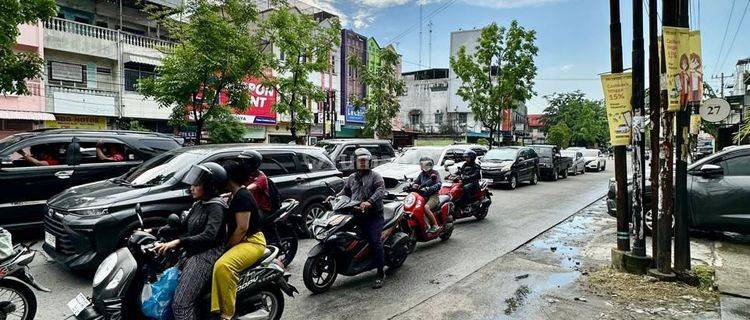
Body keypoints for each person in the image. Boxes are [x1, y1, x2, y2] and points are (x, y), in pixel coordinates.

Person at [153, 162, 228, 320]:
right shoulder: (198, 204)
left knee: (181, 304)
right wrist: (152, 231)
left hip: (206, 255)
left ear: (209, 186)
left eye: (196, 185)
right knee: (168, 291)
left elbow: (209, 235)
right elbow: (181, 227)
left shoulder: (216, 207)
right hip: (191, 251)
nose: (191, 188)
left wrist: (178, 242)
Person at [211, 160, 266, 320]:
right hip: (244, 240)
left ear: (228, 178)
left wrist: (227, 247)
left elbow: (242, 229)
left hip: (252, 241)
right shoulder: (235, 194)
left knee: (223, 266)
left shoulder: (242, 196)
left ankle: (227, 313)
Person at [338, 148, 387, 289]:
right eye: (360, 161)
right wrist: (335, 198)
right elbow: (345, 192)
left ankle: (380, 272)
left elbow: (380, 191)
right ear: (355, 163)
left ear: (370, 162)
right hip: (355, 213)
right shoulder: (351, 178)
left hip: (373, 216)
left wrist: (369, 202)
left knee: (374, 241)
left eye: (365, 161)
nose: (363, 163)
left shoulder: (376, 176)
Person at [411, 156, 441, 233]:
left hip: (433, 196)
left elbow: (438, 184)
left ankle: (435, 225)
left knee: (426, 207)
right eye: (422, 164)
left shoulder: (435, 173)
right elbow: (416, 182)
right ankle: (425, 225)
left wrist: (429, 188)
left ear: (430, 165)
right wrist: (412, 185)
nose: (424, 166)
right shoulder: (422, 174)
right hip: (423, 195)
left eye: (426, 165)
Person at [239, 150, 272, 215]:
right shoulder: (247, 175)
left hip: (261, 209)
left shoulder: (262, 177)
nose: (243, 164)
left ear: (254, 164)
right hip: (250, 205)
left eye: (246, 162)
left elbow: (248, 188)